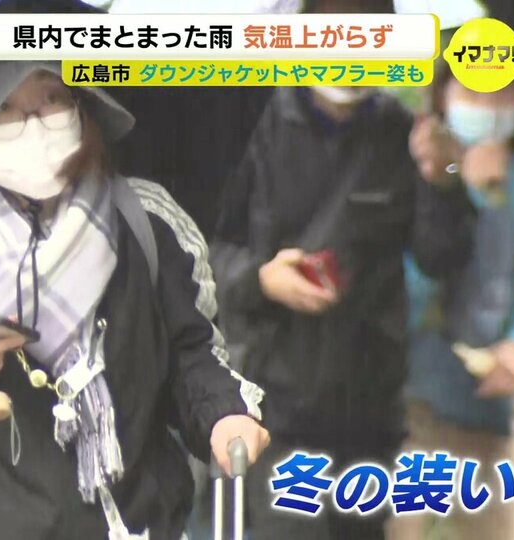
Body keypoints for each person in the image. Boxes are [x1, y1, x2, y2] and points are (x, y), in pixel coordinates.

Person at [0, 41, 270, 540]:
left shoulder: (146, 221)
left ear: (82, 105)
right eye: (4, 109)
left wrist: (224, 415)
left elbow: (193, 353)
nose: (34, 124)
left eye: (51, 99)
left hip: (137, 524)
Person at [209, 5, 476, 539]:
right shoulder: (250, 123)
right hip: (272, 407)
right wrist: (260, 279)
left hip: (369, 412)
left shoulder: (406, 133)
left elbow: (441, 257)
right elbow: (201, 249)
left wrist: (445, 176)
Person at [387, 63, 514, 540]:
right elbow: (401, 291)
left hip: (492, 418)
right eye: (473, 95)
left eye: (502, 96)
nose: (488, 110)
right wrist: (455, 188)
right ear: (443, 98)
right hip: (412, 409)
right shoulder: (417, 172)